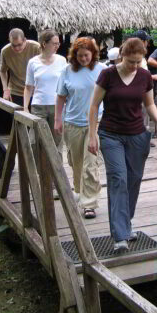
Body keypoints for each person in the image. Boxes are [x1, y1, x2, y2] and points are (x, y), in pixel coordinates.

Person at [88, 37, 157, 253]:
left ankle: (126, 224)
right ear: (122, 56)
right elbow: (94, 106)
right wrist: (91, 135)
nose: (134, 66)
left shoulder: (144, 75)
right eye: (131, 61)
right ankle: (120, 235)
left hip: (137, 135)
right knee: (118, 179)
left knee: (134, 180)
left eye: (138, 62)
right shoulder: (108, 74)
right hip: (110, 134)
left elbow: (149, 103)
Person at [55, 37, 106, 219]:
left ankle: (89, 204)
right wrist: (58, 119)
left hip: (96, 123)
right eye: (79, 56)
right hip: (72, 123)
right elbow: (61, 97)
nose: (83, 59)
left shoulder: (102, 70)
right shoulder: (67, 71)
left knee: (90, 164)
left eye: (86, 55)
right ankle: (80, 191)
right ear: (74, 56)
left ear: (93, 54)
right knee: (76, 163)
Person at [23, 30, 67, 146]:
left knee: (57, 140)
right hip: (38, 105)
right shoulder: (33, 62)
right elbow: (28, 87)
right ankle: (38, 164)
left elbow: (66, 84)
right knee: (36, 141)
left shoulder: (62, 60)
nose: (57, 46)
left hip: (57, 105)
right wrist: (25, 107)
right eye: (54, 43)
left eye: (58, 43)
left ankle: (57, 165)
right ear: (44, 44)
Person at [0, 28, 41, 106]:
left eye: (19, 45)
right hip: (16, 91)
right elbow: (3, 71)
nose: (17, 48)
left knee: (35, 117)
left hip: (35, 91)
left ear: (24, 40)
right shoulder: (5, 51)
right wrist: (5, 89)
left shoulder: (36, 47)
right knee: (17, 117)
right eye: (13, 45)